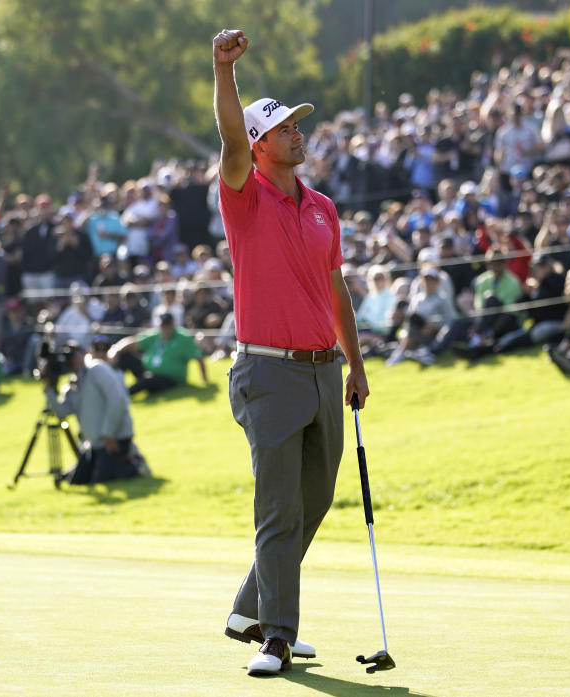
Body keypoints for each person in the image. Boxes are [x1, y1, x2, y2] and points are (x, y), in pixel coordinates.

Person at [213, 28, 368, 677]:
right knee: (278, 506)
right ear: (260, 145)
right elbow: (227, 136)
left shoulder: (323, 208)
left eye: (298, 126)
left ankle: (252, 607)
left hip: (321, 371)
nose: (299, 134)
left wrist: (355, 363)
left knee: (314, 498)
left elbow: (336, 290)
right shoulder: (244, 194)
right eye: (285, 129)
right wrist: (224, 71)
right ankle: (276, 634)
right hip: (267, 370)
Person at [42, 341, 145, 485]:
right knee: (77, 481)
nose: (71, 359)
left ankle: (134, 463)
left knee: (101, 481)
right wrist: (49, 389)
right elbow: (62, 413)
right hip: (95, 444)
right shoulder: (72, 384)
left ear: (84, 353)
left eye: (73, 354)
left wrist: (108, 433)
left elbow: (117, 400)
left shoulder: (97, 369)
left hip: (114, 438)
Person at [108, 312, 208, 396]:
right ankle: (113, 385)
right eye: (163, 325)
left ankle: (121, 395)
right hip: (148, 370)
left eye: (167, 325)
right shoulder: (156, 335)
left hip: (170, 379)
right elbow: (131, 342)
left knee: (147, 380)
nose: (165, 328)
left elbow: (199, 357)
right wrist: (115, 351)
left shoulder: (183, 338)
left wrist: (205, 380)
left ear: (173, 324)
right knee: (125, 357)